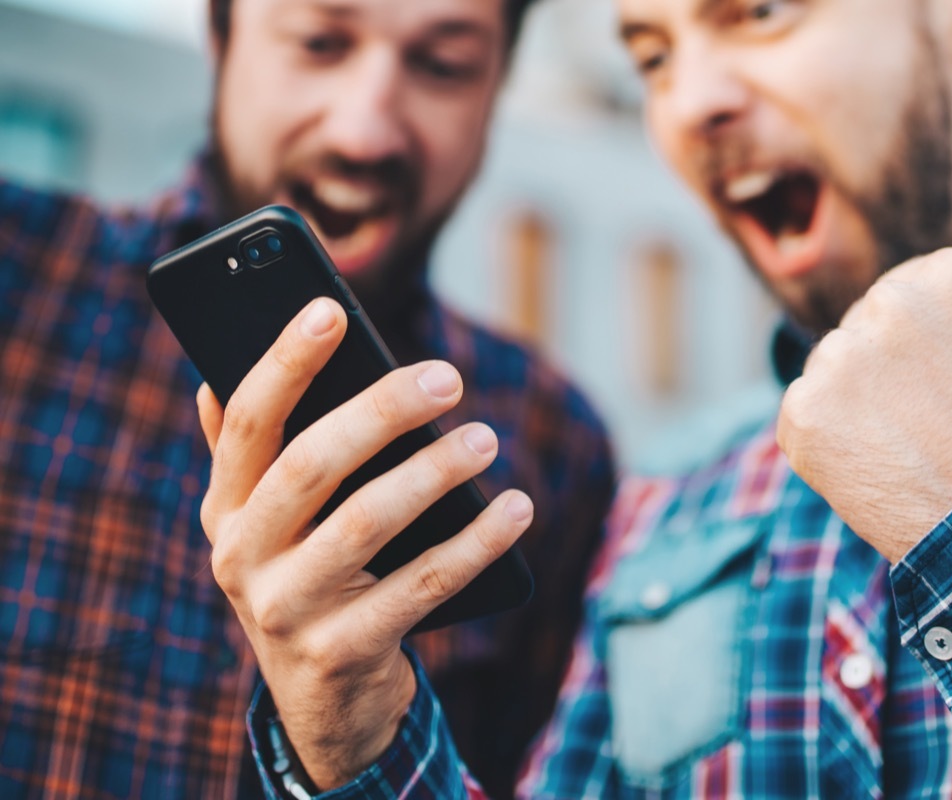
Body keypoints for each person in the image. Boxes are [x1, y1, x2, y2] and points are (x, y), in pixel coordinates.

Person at [203, 0, 952, 796]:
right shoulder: (671, 495)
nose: (692, 102)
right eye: (650, 53)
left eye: (759, 13)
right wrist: (357, 736)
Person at [0, 0, 614, 797]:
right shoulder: (21, 282)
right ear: (220, 36)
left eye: (444, 66)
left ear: (495, 91)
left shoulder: (553, 441)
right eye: (319, 42)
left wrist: (357, 724)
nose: (366, 132)